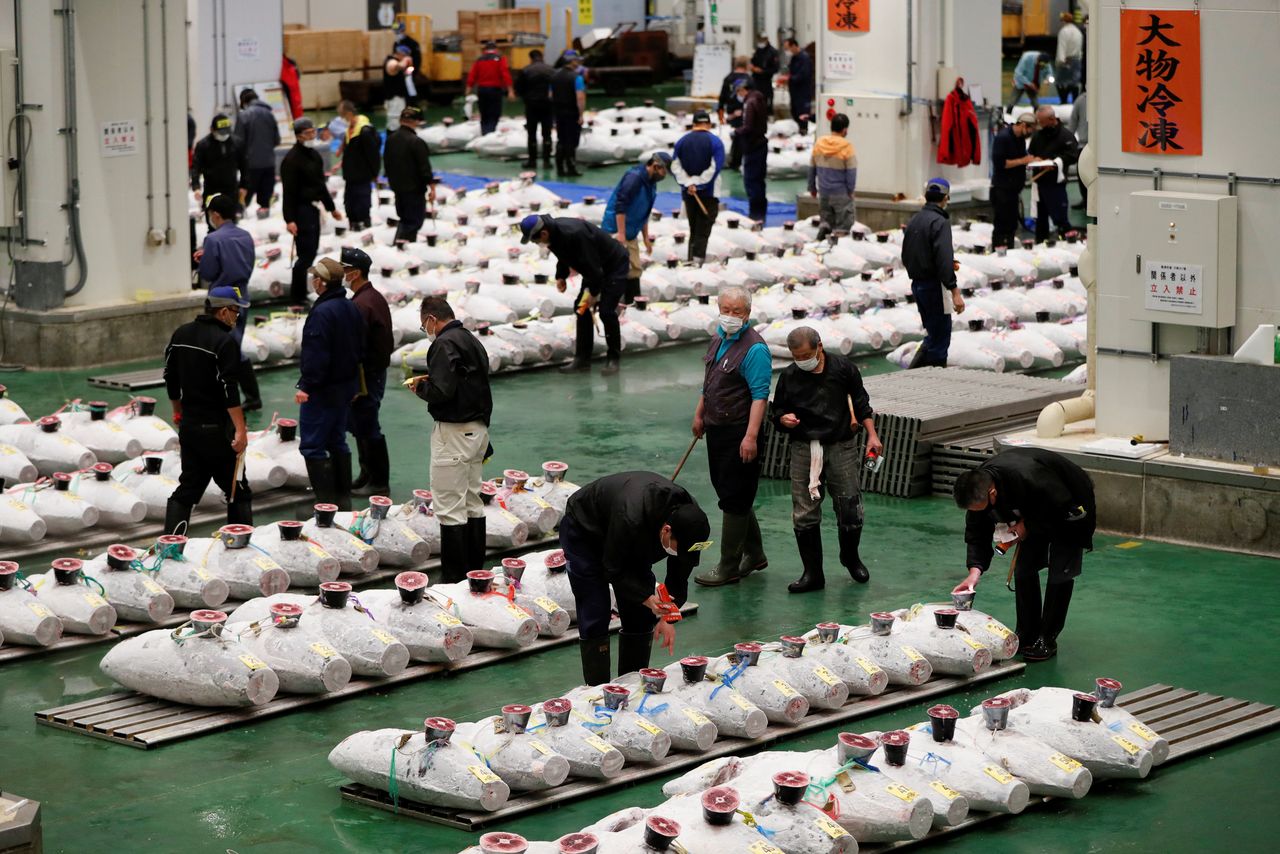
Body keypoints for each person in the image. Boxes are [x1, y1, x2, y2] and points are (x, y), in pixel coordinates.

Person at [560, 471, 711, 684]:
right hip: (586, 530)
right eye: (680, 549)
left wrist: (669, 616)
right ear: (667, 531)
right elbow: (612, 568)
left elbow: (679, 574)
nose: (682, 555)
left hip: (633, 540)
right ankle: (597, 688)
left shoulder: (688, 523)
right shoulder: (631, 516)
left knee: (641, 615)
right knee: (596, 608)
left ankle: (630, 684)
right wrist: (648, 598)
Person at [951, 447, 1095, 662]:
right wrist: (974, 572)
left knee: (1061, 571)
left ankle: (1047, 638)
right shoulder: (979, 486)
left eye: (980, 508)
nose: (977, 513)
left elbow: (1064, 508)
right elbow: (976, 533)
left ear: (992, 493)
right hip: (1033, 509)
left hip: (1070, 504)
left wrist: (1028, 525)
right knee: (1025, 567)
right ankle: (1027, 631)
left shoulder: (1031, 477)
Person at [771, 327, 882, 593]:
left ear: (819, 347)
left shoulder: (843, 369)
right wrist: (783, 419)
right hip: (804, 447)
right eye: (797, 357)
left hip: (840, 444)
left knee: (850, 507)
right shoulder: (789, 376)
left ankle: (850, 557)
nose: (803, 361)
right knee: (804, 510)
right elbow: (777, 410)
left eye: (807, 355)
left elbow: (861, 402)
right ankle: (812, 574)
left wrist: (872, 435)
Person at [407, 295, 493, 583]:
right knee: (472, 500)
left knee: (449, 506)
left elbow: (443, 390)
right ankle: (475, 573)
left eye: (424, 326)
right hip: (478, 430)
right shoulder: (470, 339)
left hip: (454, 432)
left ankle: (454, 580)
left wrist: (420, 388)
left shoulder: (443, 344)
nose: (426, 330)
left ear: (431, 319)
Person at [690, 287, 771, 588]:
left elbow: (760, 396)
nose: (731, 315)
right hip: (717, 429)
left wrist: (750, 437)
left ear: (747, 313)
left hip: (739, 430)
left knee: (735, 497)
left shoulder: (755, 349)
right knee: (730, 492)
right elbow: (709, 383)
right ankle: (755, 554)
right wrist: (699, 414)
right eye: (726, 309)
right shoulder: (718, 339)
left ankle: (729, 566)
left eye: (737, 311)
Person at [161, 286, 253, 534]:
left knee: (188, 488)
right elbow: (228, 389)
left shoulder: (181, 334)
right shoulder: (225, 342)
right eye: (235, 312)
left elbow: (170, 377)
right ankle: (240, 549)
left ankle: (171, 545)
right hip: (216, 430)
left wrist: (177, 410)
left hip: (190, 427)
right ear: (223, 312)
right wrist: (241, 430)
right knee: (237, 489)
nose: (237, 317)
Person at [520, 214, 629, 376]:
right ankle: (582, 360)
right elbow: (563, 255)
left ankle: (613, 359)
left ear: (543, 234)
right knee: (582, 309)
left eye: (536, 241)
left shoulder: (574, 234)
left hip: (614, 265)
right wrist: (561, 276)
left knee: (606, 312)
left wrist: (593, 294)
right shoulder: (553, 233)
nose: (538, 244)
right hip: (594, 269)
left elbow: (594, 269)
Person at [295, 257, 363, 511]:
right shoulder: (350, 306)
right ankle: (342, 501)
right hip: (345, 387)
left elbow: (317, 354)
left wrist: (306, 386)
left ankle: (323, 504)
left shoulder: (323, 312)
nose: (313, 281)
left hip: (322, 390)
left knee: (312, 445)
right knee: (337, 440)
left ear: (321, 282)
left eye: (315, 277)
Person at [194, 193, 261, 411]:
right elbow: (248, 263)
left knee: (218, 350)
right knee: (234, 346)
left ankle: (221, 398)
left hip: (220, 299)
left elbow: (209, 271)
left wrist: (203, 259)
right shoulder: (245, 236)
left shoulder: (213, 239)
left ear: (215, 214)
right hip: (241, 296)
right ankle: (252, 396)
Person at [342, 247, 393, 497]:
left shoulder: (363, 304)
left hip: (367, 375)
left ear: (356, 273)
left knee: (368, 425)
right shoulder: (370, 297)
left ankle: (379, 481)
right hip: (372, 372)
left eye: (345, 270)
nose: (343, 274)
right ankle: (367, 474)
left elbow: (356, 347)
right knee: (361, 425)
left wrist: (352, 382)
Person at [902, 178, 965, 368]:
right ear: (946, 198)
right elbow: (944, 259)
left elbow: (907, 255)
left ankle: (914, 376)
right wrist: (954, 291)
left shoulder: (915, 219)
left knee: (932, 334)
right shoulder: (940, 221)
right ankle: (934, 384)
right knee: (940, 339)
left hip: (918, 284)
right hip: (934, 286)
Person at [281, 118, 341, 304]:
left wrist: (331, 208)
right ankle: (297, 296)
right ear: (298, 136)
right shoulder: (291, 160)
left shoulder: (314, 155)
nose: (312, 136)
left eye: (313, 132)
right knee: (305, 255)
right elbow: (288, 193)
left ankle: (300, 293)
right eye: (307, 133)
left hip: (313, 209)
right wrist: (289, 219)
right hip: (301, 211)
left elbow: (320, 185)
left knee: (311, 252)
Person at [602, 152, 671, 305]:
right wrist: (620, 234)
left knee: (634, 270)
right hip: (616, 230)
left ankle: (632, 305)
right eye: (664, 171)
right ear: (655, 166)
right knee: (617, 270)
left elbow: (644, 211)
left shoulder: (651, 182)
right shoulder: (634, 178)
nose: (664, 175)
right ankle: (610, 306)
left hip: (630, 231)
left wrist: (646, 237)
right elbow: (620, 206)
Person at [672, 111, 725, 264]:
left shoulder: (682, 141)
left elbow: (675, 165)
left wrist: (688, 183)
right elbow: (715, 167)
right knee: (703, 229)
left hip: (689, 193)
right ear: (708, 124)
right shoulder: (715, 142)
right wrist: (700, 184)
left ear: (694, 124)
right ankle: (697, 263)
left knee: (693, 228)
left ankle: (691, 259)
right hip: (708, 193)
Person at [382, 106, 436, 246]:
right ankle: (403, 249)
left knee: (405, 219)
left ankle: (399, 246)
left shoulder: (390, 139)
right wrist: (432, 188)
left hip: (397, 188)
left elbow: (387, 164)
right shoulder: (416, 142)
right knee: (413, 222)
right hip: (414, 190)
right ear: (417, 122)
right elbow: (424, 169)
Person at [1028, 105, 1080, 242]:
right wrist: (1035, 160)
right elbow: (1031, 153)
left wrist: (1056, 162)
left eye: (1041, 121)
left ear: (1051, 119)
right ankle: (1040, 246)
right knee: (1041, 221)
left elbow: (1073, 155)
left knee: (1060, 219)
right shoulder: (1038, 135)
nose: (1039, 124)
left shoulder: (1066, 136)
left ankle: (1070, 245)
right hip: (1039, 184)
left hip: (1055, 185)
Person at [989, 113, 1037, 249]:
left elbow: (1021, 158)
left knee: (1011, 224)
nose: (1029, 134)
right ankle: (998, 252)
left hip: (1013, 190)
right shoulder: (1003, 138)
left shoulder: (1020, 139)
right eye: (1029, 130)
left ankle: (1009, 251)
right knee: (1001, 225)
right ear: (1022, 125)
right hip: (1001, 189)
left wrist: (1032, 160)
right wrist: (1023, 161)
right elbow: (1000, 163)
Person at [808, 112, 858, 238]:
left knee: (826, 224)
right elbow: (851, 172)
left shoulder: (819, 144)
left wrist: (812, 188)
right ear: (845, 129)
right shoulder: (847, 147)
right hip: (841, 194)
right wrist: (851, 190)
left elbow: (811, 168)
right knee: (842, 228)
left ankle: (821, 245)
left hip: (824, 193)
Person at [336, 100, 381, 231]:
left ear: (349, 114)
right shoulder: (350, 129)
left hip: (362, 174)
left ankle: (365, 225)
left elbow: (373, 154)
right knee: (349, 202)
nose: (342, 119)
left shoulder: (364, 131)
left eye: (343, 116)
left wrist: (374, 173)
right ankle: (353, 222)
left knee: (362, 201)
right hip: (350, 175)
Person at [234, 89, 281, 213]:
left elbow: (237, 142)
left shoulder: (244, 115)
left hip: (250, 165)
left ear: (244, 101)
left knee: (242, 203)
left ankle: (238, 216)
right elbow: (277, 140)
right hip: (269, 163)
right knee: (265, 204)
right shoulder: (270, 114)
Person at [192, 115, 247, 205]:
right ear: (212, 130)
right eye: (221, 132)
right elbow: (196, 167)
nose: (224, 135)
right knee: (212, 215)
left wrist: (244, 185)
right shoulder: (203, 146)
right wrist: (196, 187)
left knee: (231, 216)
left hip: (231, 188)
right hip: (211, 189)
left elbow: (244, 165)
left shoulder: (237, 143)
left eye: (226, 132)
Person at [514, 48, 555, 168]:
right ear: (542, 57)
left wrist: (526, 98)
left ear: (531, 58)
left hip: (531, 105)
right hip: (547, 105)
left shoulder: (526, 70)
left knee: (531, 133)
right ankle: (547, 161)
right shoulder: (551, 70)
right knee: (547, 133)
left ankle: (532, 161)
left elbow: (519, 88)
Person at [466, 41, 515, 136]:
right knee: (494, 113)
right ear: (496, 49)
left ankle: (485, 133)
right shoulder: (500, 59)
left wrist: (468, 89)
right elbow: (505, 75)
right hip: (495, 90)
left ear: (485, 50)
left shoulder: (479, 60)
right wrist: (510, 91)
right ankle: (490, 133)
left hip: (482, 90)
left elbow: (472, 75)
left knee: (484, 113)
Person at [551, 51, 587, 176]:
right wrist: (581, 114)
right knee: (571, 141)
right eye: (577, 60)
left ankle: (560, 168)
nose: (578, 62)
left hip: (559, 113)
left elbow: (550, 95)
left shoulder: (554, 76)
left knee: (561, 139)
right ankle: (571, 168)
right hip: (572, 113)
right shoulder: (577, 77)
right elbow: (580, 98)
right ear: (572, 62)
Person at [717, 57, 751, 170]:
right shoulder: (749, 79)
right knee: (742, 136)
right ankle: (738, 161)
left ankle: (735, 161)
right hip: (746, 112)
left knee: (737, 135)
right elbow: (755, 97)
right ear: (746, 65)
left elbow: (722, 99)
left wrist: (721, 116)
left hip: (732, 113)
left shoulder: (728, 78)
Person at [383, 44, 423, 131]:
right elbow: (395, 67)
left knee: (402, 120)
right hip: (394, 98)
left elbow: (407, 73)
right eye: (405, 56)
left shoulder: (401, 63)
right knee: (394, 122)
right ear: (400, 54)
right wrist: (405, 61)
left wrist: (409, 67)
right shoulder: (391, 61)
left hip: (402, 97)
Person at [779, 39, 814, 135]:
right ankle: (798, 134)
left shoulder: (804, 58)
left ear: (794, 46)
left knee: (802, 115)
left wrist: (788, 79)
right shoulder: (794, 58)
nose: (787, 51)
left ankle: (803, 133)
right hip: (794, 92)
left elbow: (803, 75)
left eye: (787, 48)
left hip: (803, 93)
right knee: (794, 113)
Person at [1055, 12, 1084, 104]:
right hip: (1076, 60)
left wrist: (1060, 61)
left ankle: (1063, 102)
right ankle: (1075, 102)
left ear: (1063, 21)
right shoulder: (1077, 31)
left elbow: (1062, 47)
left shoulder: (1064, 31)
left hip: (1066, 60)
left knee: (1061, 83)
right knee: (1074, 82)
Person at [1068, 91, 1088, 210]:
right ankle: (1085, 199)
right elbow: (1073, 121)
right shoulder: (1081, 100)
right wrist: (1068, 140)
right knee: (1082, 175)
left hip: (1100, 146)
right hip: (1083, 144)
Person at [750, 34, 780, 109]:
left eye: (762, 40)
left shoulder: (773, 52)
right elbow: (753, 61)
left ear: (766, 40)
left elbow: (775, 69)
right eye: (759, 40)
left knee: (765, 101)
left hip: (766, 81)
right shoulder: (758, 50)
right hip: (755, 79)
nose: (760, 42)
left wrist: (762, 71)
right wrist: (752, 66)